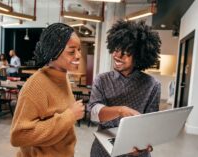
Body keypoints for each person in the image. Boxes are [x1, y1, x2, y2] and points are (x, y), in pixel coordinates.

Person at [88, 20, 162, 157]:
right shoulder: (102, 80)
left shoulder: (152, 85)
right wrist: (120, 110)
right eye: (116, 49)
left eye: (127, 52)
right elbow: (94, 114)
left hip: (135, 149)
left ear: (139, 56)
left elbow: (150, 124)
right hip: (103, 150)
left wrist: (144, 145)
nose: (118, 56)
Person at [10, 23, 85, 157]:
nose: (78, 55)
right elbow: (19, 136)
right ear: (53, 51)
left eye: (79, 49)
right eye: (71, 51)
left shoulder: (63, 77)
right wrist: (70, 116)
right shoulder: (36, 85)